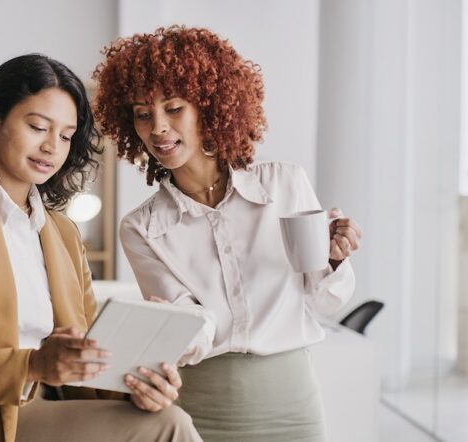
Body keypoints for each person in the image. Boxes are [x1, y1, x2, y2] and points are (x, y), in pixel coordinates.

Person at [0, 54, 201, 442]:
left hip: (49, 406)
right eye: (37, 127)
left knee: (166, 416)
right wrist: (32, 364)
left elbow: (87, 355)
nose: (52, 146)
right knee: (172, 429)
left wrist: (141, 384)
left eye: (66, 136)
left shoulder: (63, 233)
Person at [93, 26, 363, 441]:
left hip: (291, 401)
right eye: (143, 114)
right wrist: (148, 337)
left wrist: (333, 260)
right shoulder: (141, 228)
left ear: (209, 106)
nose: (158, 128)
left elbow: (324, 300)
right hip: (200, 406)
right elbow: (188, 328)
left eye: (174, 108)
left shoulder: (284, 185)